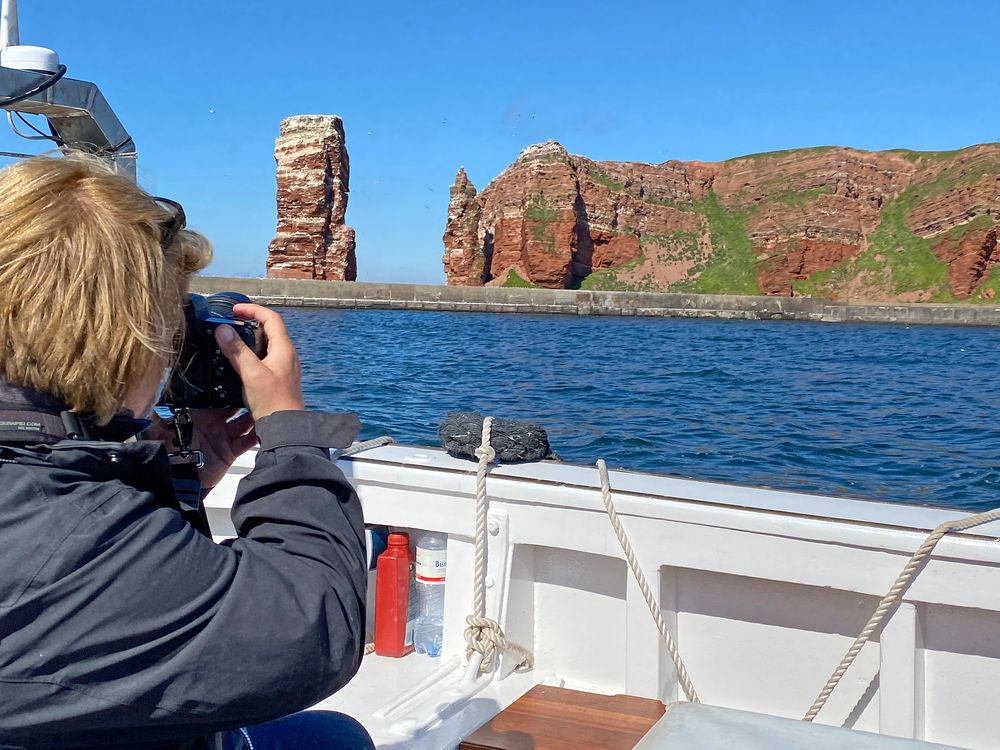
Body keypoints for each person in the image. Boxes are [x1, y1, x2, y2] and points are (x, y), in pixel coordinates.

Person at [0, 153, 374, 750]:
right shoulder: (68, 542)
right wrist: (290, 431)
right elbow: (315, 625)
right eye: (171, 326)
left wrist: (180, 480)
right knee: (337, 740)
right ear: (128, 334)